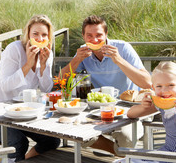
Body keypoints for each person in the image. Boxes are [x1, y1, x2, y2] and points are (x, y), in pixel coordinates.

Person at [60, 15, 152, 155]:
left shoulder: (123, 48)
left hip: (130, 110)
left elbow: (148, 82)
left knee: (126, 137)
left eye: (99, 35)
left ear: (106, 34)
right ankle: (118, 152)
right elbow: (60, 81)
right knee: (75, 132)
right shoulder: (83, 52)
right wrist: (76, 61)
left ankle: (122, 151)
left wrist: (118, 60)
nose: (95, 40)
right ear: (84, 37)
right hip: (98, 110)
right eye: (89, 36)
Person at [0, 14, 60, 162]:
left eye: (44, 35)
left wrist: (44, 66)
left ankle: (23, 160)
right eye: (35, 34)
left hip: (22, 113)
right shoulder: (14, 49)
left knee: (52, 140)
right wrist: (28, 64)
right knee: (19, 142)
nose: (40, 38)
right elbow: (5, 86)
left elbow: (46, 88)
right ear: (28, 34)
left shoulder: (47, 53)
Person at [125, 61, 176, 162]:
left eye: (170, 85)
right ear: (153, 87)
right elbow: (130, 114)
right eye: (159, 86)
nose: (164, 91)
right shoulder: (161, 102)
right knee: (126, 160)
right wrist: (143, 107)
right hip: (167, 154)